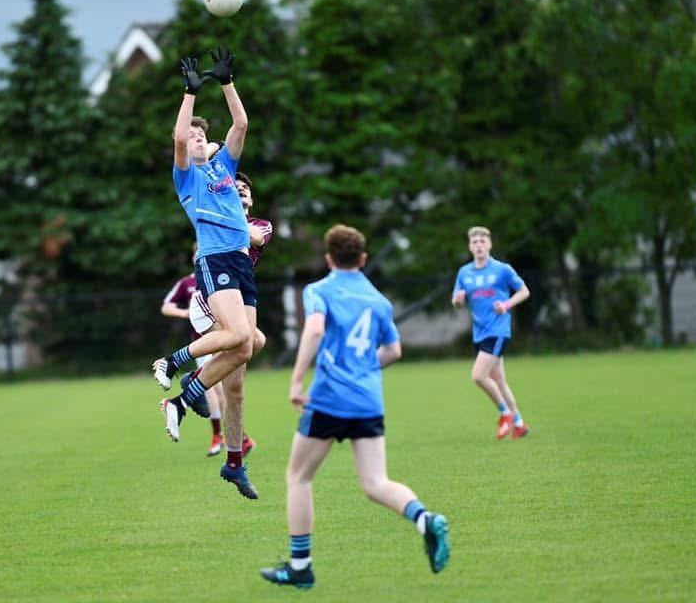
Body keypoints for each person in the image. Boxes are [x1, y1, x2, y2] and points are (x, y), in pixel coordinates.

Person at [260, 224, 450, 589]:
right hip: (367, 400)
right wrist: (362, 368)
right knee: (376, 482)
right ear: (362, 259)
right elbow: (394, 351)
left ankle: (300, 567)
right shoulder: (380, 301)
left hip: (329, 398)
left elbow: (314, 330)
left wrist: (297, 379)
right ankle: (425, 519)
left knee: (298, 478)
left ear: (329, 258)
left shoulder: (319, 290)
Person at [151, 47, 260, 499]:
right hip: (214, 261)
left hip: (240, 262)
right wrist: (190, 95)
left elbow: (241, 126)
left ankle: (227, 454)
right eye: (193, 138)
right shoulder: (187, 178)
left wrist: (228, 83)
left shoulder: (223, 165)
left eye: (201, 137)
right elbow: (177, 139)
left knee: (249, 346)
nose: (196, 140)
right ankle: (173, 364)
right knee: (236, 335)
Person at [188, 165, 272, 460]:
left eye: (246, 189)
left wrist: (230, 207)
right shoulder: (218, 218)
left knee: (241, 370)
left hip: (236, 299)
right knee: (241, 342)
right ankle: (186, 376)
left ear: (252, 200)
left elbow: (256, 238)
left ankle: (238, 445)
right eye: (234, 188)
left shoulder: (262, 224)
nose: (241, 190)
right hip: (209, 299)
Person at [451, 226, 531, 439]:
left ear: (489, 244)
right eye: (475, 242)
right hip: (479, 332)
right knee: (499, 381)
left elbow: (524, 291)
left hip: (498, 330)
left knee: (478, 375)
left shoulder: (502, 269)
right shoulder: (464, 273)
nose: (479, 245)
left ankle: (504, 413)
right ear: (470, 246)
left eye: (482, 241)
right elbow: (457, 300)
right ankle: (519, 423)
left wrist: (506, 305)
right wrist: (458, 301)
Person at [160, 258, 228, 457]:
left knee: (229, 388)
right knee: (214, 388)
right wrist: (185, 313)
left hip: (227, 338)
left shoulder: (223, 275)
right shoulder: (188, 283)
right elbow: (166, 306)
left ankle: (237, 437)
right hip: (204, 341)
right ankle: (219, 435)